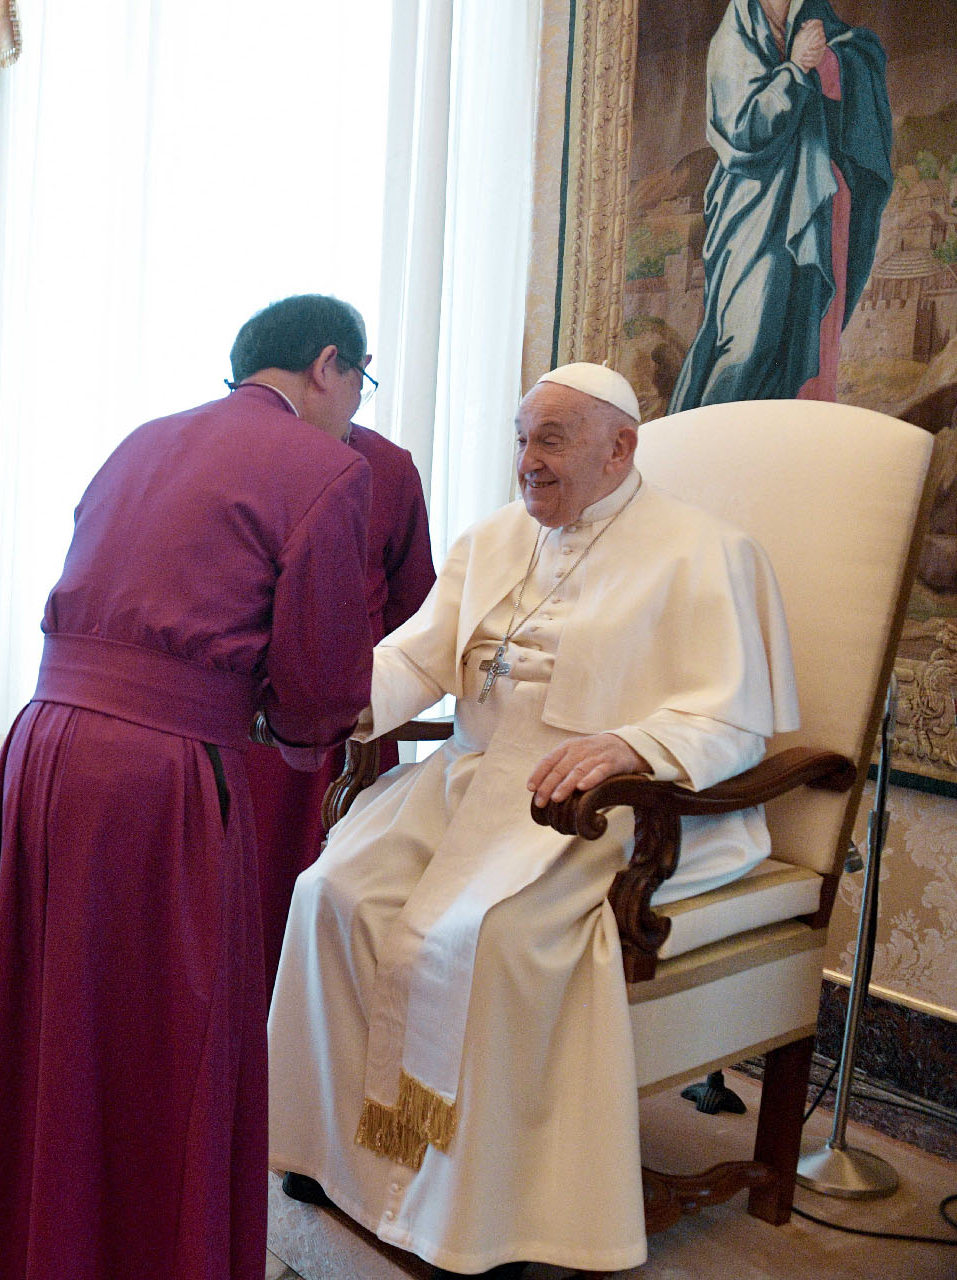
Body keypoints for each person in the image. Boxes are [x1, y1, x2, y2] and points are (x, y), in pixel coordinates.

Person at [269, 364, 798, 1277]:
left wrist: (632, 745)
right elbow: (416, 656)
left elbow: (732, 718)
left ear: (619, 447)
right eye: (521, 440)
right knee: (331, 892)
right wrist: (334, 702)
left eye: (550, 440)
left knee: (492, 938)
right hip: (470, 782)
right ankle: (347, 1155)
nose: (528, 462)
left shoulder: (705, 551)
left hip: (598, 810)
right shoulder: (494, 539)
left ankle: (491, 1211)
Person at [0, 294, 379, 1280]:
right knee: (166, 1036)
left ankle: (33, 1243)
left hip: (44, 747)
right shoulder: (326, 466)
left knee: (52, 1015)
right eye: (360, 379)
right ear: (326, 365)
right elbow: (320, 679)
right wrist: (298, 732)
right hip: (159, 775)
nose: (358, 405)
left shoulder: (144, 438)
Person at [238, 354, 434, 981]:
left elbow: (416, 597)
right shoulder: (244, 454)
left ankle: (314, 1004)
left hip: (353, 697)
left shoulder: (389, 466)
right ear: (332, 370)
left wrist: (361, 670)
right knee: (247, 863)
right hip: (253, 697)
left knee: (335, 868)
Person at [670, 0, 891, 410]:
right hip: (750, 209)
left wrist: (830, 63)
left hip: (808, 205)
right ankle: (707, 445)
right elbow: (745, 128)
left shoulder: (812, 17)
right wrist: (795, 69)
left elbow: (858, 56)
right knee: (748, 341)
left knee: (799, 335)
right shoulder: (733, 37)